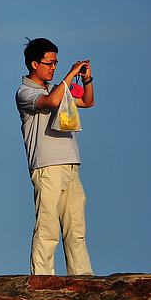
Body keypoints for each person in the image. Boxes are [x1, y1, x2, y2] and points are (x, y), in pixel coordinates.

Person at [16, 38, 95, 276]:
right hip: (46, 166)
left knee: (76, 228)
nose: (53, 68)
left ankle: (82, 278)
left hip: (71, 164)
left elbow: (88, 101)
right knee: (47, 227)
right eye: (49, 63)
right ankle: (42, 279)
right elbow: (50, 102)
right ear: (33, 64)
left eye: (55, 63)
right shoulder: (25, 92)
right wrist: (70, 74)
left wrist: (87, 78)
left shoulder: (58, 89)